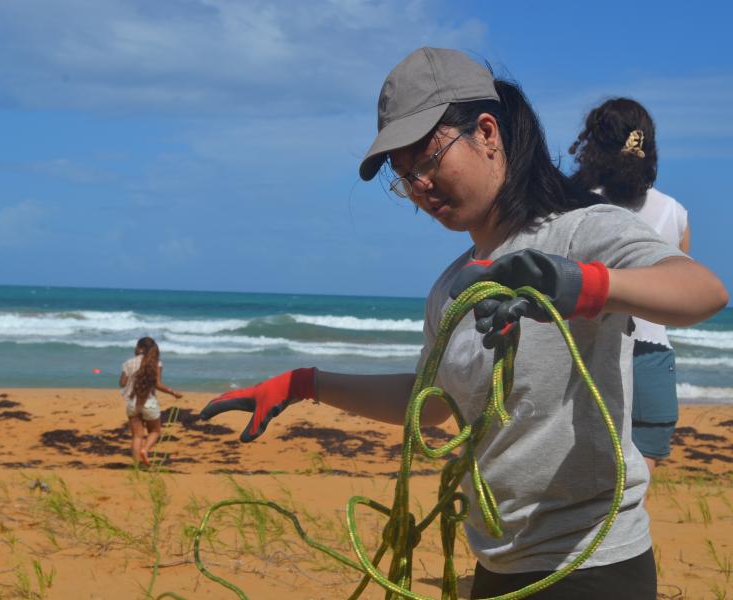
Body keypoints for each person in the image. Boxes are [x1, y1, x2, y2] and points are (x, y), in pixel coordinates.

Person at [199, 48, 727, 598]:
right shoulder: (451, 286)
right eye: (404, 177)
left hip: (590, 563)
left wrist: (582, 285)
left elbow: (701, 291)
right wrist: (304, 383)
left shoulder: (581, 232)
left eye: (427, 160)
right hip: (497, 565)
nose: (420, 187)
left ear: (488, 133)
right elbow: (430, 405)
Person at [569, 98, 690, 475]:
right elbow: (680, 292)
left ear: (594, 143)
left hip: (590, 355)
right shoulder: (675, 212)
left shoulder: (576, 206)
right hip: (652, 357)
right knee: (638, 487)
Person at [119, 336, 182, 466]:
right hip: (150, 403)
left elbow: (122, 383)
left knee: (137, 436)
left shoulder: (128, 363)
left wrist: (132, 378)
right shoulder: (156, 363)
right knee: (155, 431)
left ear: (139, 348)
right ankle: (145, 449)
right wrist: (173, 392)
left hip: (132, 403)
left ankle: (137, 465)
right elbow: (158, 384)